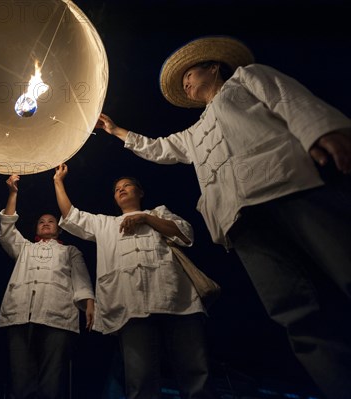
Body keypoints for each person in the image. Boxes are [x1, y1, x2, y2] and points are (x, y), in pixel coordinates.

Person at [95, 35, 351, 399]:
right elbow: (160, 148)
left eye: (190, 72)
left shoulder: (245, 79)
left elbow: (285, 98)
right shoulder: (194, 132)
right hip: (239, 220)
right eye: (182, 79)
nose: (185, 81)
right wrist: (116, 130)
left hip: (289, 187)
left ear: (214, 67)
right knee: (295, 313)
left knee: (344, 268)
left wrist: (321, 130)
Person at [53, 164, 215, 399]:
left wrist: (145, 218)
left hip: (177, 299)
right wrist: (58, 181)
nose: (120, 190)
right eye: (116, 189)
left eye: (126, 185)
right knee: (140, 379)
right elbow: (70, 216)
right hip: (131, 305)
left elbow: (185, 233)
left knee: (196, 373)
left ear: (140, 192)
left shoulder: (158, 213)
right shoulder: (106, 224)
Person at [0, 174, 95, 399]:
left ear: (59, 229)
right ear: (37, 229)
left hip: (56, 316)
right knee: (20, 376)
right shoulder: (25, 248)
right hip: (20, 314)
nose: (46, 223)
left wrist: (89, 301)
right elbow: (7, 230)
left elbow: (81, 278)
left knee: (52, 376)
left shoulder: (70, 251)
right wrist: (13, 193)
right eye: (42, 221)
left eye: (51, 221)